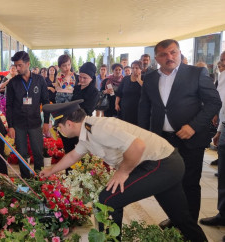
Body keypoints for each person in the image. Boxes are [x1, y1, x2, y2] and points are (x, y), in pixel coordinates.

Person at [39, 101, 207, 242]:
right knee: (181, 218)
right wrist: (51, 170)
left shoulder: (98, 128)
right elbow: (73, 156)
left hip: (161, 163)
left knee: (107, 200)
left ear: (69, 123)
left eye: (59, 127)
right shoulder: (87, 130)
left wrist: (122, 172)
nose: (59, 132)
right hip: (167, 162)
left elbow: (137, 146)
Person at [138, 39, 221, 228]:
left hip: (190, 138)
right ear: (156, 58)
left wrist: (193, 126)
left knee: (189, 183)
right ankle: (175, 218)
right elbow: (144, 109)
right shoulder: (150, 78)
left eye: (173, 52)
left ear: (180, 52)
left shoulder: (196, 73)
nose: (170, 57)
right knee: (168, 182)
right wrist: (145, 137)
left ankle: (189, 225)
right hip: (162, 140)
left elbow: (214, 103)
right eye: (164, 54)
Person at [6, 51, 50, 178]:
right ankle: (26, 180)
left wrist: (46, 122)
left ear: (28, 64)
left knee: (37, 152)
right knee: (22, 153)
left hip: (35, 123)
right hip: (18, 124)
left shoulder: (39, 80)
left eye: (19, 65)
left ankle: (39, 179)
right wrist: (10, 126)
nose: (17, 68)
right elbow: (9, 106)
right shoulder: (13, 83)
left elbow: (46, 102)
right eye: (15, 66)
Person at [199, 52, 225, 235]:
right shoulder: (222, 77)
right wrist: (220, 130)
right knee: (223, 175)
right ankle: (223, 214)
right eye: (222, 60)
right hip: (224, 127)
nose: (222, 63)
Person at [115, 60, 143, 125]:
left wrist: (139, 81)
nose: (134, 70)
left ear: (141, 69)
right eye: (133, 68)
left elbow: (147, 90)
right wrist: (116, 104)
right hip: (124, 109)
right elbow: (119, 93)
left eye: (137, 68)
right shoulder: (126, 79)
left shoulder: (144, 78)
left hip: (138, 111)